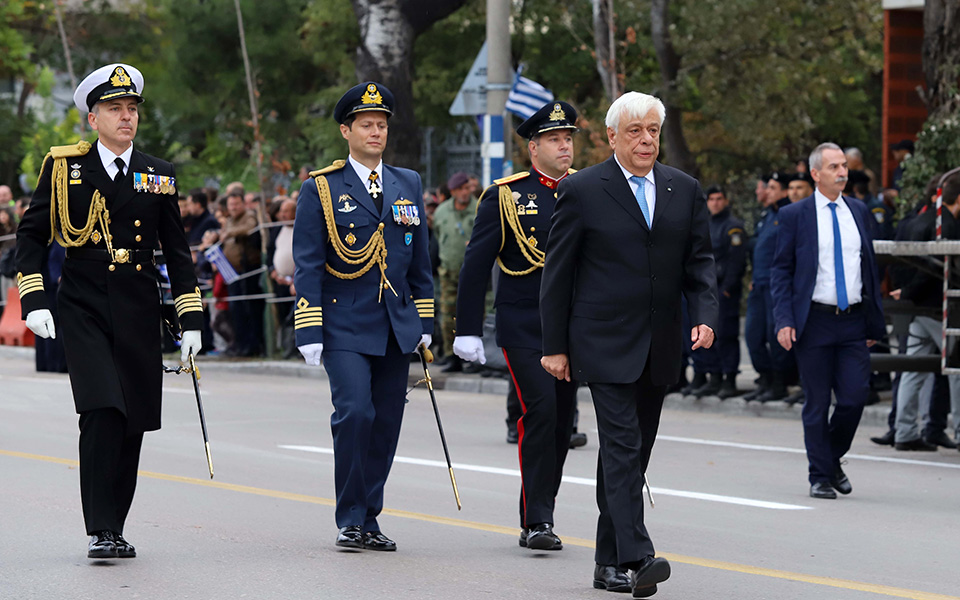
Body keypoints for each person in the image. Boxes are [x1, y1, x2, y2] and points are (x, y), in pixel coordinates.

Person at [14, 63, 202, 558]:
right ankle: (100, 528)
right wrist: (34, 300)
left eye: (131, 109)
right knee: (102, 409)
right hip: (84, 302)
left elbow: (177, 252)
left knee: (133, 420)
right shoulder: (65, 168)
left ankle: (115, 525)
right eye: (114, 109)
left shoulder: (158, 173)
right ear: (92, 119)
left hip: (139, 305)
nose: (126, 117)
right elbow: (31, 236)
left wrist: (192, 319)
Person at [540, 91, 718, 597]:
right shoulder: (584, 189)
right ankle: (638, 556)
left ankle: (606, 563)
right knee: (621, 446)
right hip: (601, 340)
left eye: (653, 130)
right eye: (635, 130)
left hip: (660, 342)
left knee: (631, 455)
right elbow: (558, 272)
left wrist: (705, 316)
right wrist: (554, 346)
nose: (646, 139)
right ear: (612, 137)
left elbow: (700, 262)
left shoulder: (684, 189)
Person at [293, 81, 433, 552]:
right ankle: (350, 517)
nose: (376, 132)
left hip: (396, 323)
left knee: (387, 420)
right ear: (345, 130)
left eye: (382, 125)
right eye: (366, 125)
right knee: (355, 412)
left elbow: (420, 262)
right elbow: (309, 262)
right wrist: (308, 325)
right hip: (343, 322)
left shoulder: (407, 182)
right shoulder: (322, 187)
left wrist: (425, 321)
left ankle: (370, 517)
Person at [454, 101, 580, 554]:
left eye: (568, 138)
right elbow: (475, 266)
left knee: (564, 422)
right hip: (524, 323)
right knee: (542, 411)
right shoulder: (506, 195)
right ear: (534, 147)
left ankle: (545, 505)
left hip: (574, 327)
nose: (564, 146)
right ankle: (536, 520)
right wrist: (466, 329)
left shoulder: (587, 191)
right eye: (554, 139)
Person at [771, 142, 885, 499]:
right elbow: (781, 271)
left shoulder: (860, 211)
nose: (842, 172)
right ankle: (819, 475)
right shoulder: (794, 215)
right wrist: (784, 320)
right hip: (814, 320)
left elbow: (868, 268)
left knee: (854, 398)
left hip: (852, 320)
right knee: (817, 402)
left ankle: (830, 458)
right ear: (816, 174)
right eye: (834, 166)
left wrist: (872, 321)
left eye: (844, 166)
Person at [887, 171, 960, 451]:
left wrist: (905, 292)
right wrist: (909, 292)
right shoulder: (946, 225)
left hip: (918, 308)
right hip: (939, 307)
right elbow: (934, 268)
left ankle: (904, 431)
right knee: (955, 369)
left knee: (912, 370)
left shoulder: (918, 220)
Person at [690, 185, 746, 398]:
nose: (715, 202)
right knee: (707, 334)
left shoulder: (733, 227)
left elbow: (736, 262)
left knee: (727, 336)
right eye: (711, 199)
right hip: (708, 290)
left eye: (719, 198)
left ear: (725, 201)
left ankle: (728, 378)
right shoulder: (705, 225)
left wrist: (727, 290)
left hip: (724, 291)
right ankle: (713, 376)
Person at [743, 172, 793, 402]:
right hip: (759, 284)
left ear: (784, 191)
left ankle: (780, 382)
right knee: (753, 335)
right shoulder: (767, 215)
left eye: (773, 188)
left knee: (775, 337)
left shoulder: (788, 215)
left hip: (776, 286)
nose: (768, 192)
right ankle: (765, 377)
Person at [433, 171, 477, 372]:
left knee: (474, 315)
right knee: (448, 314)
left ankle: (474, 358)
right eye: (461, 189)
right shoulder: (442, 211)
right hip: (448, 273)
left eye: (467, 188)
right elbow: (438, 235)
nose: (465, 193)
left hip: (473, 274)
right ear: (452, 191)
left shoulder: (479, 208)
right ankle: (452, 356)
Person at [220, 189, 263, 356]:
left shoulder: (249, 216)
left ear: (243, 204)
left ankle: (252, 346)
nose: (234, 207)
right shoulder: (229, 220)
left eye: (237, 204)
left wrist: (230, 232)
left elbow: (249, 228)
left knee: (249, 309)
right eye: (231, 205)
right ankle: (239, 344)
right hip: (231, 272)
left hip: (247, 271)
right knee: (236, 311)